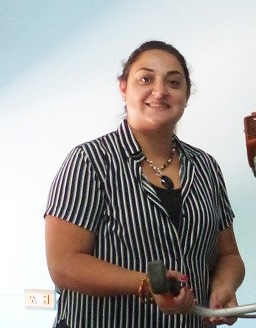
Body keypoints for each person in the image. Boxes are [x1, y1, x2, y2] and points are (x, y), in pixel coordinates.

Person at [44, 40, 244, 328]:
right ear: (123, 87)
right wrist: (147, 284)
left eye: (173, 83)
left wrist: (224, 285)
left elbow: (229, 255)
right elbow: (64, 264)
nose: (160, 91)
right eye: (146, 79)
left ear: (186, 96)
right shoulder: (89, 161)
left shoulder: (205, 167)